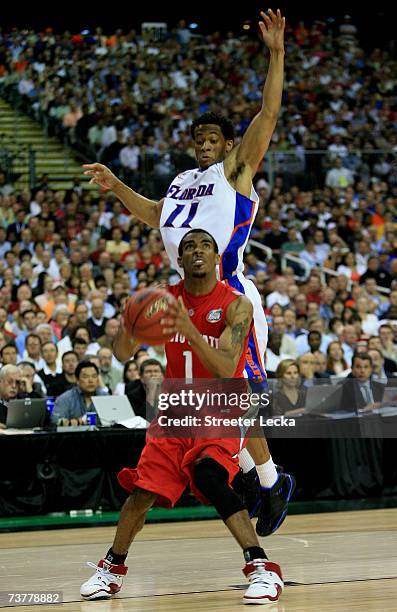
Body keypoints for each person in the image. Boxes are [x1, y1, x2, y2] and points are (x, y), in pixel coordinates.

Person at [83, 9, 293, 537]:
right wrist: (115, 186)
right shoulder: (180, 183)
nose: (204, 141)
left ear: (226, 146)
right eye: (197, 136)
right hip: (184, 297)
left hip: (228, 294)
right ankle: (260, 477)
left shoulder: (236, 170)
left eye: (213, 137)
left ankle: (266, 481)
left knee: (232, 399)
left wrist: (276, 54)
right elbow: (155, 214)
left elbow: (267, 116)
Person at [80, 229, 284, 604]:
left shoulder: (237, 305)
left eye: (205, 244)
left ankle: (262, 569)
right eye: (188, 245)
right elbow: (123, 353)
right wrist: (131, 318)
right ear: (180, 258)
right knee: (143, 492)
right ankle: (111, 569)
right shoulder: (164, 298)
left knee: (209, 475)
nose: (197, 251)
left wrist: (187, 328)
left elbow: (225, 366)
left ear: (217, 257)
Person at [52, 360, 109, 425]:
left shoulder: (106, 397)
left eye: (94, 376)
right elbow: (55, 420)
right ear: (77, 380)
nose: (90, 380)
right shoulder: (65, 398)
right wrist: (69, 423)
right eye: (85, 377)